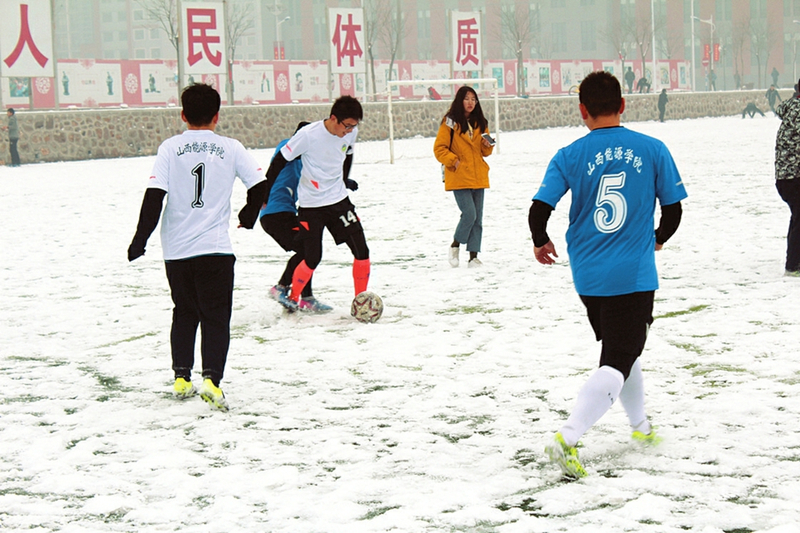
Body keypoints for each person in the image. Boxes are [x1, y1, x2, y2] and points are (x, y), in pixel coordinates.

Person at [529, 70, 687, 478]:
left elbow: (538, 210)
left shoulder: (569, 155)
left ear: (582, 110)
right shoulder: (652, 148)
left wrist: (540, 240)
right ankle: (567, 438)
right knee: (619, 357)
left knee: (623, 351)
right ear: (622, 105)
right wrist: (657, 239)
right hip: (632, 274)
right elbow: (673, 210)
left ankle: (641, 427)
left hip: (588, 274)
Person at [127, 83, 268, 411]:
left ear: (183, 115)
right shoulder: (231, 147)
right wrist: (248, 216)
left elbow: (155, 196)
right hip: (215, 249)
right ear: (217, 116)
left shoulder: (170, 148)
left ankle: (181, 377)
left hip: (176, 251)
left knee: (184, 312)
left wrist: (140, 239)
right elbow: (260, 185)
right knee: (216, 317)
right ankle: (211, 381)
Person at [262, 95, 369, 312]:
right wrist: (264, 194)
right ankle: (293, 298)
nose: (349, 131)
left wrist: (344, 179)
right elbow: (280, 160)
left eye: (354, 126)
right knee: (312, 256)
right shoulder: (308, 135)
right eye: (347, 126)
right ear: (334, 118)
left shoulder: (351, 132)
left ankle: (361, 303)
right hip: (312, 206)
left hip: (339, 201)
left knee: (362, 250)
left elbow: (348, 154)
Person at [260, 121, 332, 313]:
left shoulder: (303, 163)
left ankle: (305, 298)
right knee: (307, 251)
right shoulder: (286, 146)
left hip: (287, 213)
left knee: (309, 250)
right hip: (274, 214)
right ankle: (281, 288)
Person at [434, 85, 494, 268]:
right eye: (467, 99)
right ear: (460, 100)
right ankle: (455, 245)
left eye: (474, 99)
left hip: (478, 175)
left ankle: (473, 257)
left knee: (478, 219)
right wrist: (453, 161)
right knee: (469, 214)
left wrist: (487, 145)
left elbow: (485, 151)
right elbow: (439, 148)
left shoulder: (481, 122)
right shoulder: (450, 122)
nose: (470, 103)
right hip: (459, 175)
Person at [774, 84, 800, 277]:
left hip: (786, 177)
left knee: (797, 218)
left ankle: (793, 263)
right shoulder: (798, 112)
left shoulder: (791, 108)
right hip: (794, 177)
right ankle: (793, 265)